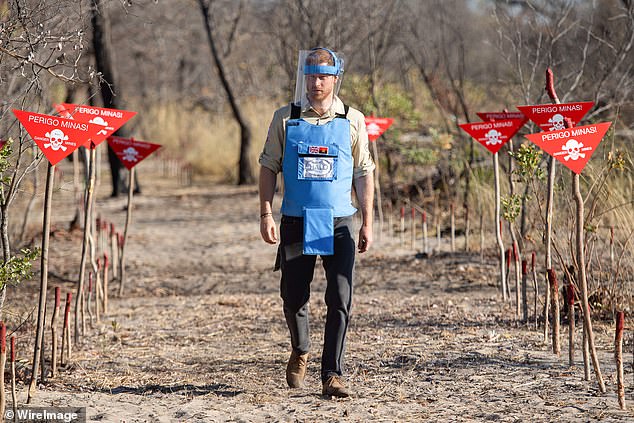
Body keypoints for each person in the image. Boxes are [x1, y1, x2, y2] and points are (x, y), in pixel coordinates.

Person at [258, 47, 375, 398]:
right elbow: (268, 166)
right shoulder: (286, 117)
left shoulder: (352, 119)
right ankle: (301, 348)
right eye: (310, 75)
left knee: (340, 296)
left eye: (323, 76)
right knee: (294, 297)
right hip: (297, 218)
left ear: (336, 78)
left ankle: (332, 374)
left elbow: (364, 171)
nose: (316, 82)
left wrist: (367, 221)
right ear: (303, 77)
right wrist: (266, 212)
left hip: (339, 220)